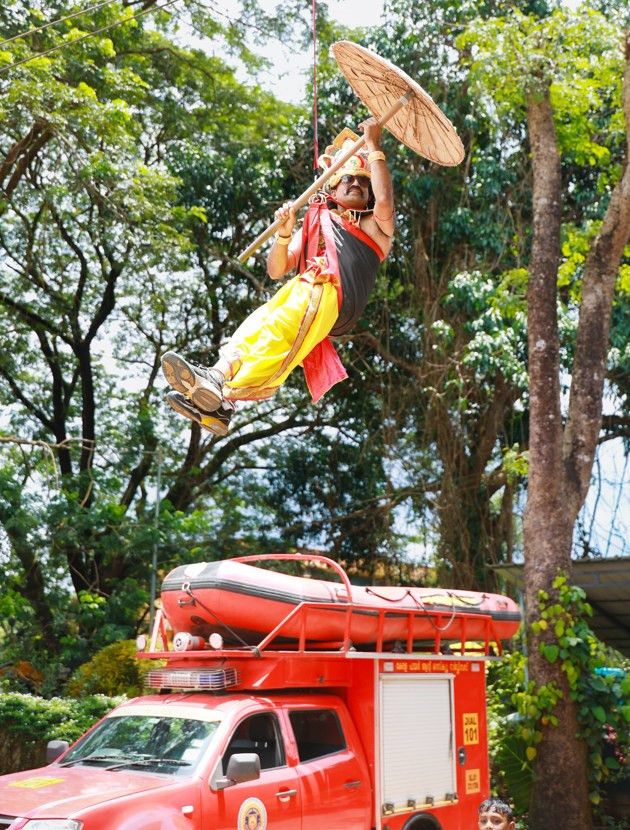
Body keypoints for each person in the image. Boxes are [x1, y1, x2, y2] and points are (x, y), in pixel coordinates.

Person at [162, 117, 395, 436]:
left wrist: (374, 146)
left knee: (277, 326)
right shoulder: (316, 220)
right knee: (259, 325)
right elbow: (276, 269)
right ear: (333, 187)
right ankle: (219, 395)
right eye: (348, 179)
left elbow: (384, 201)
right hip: (309, 291)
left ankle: (220, 388)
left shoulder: (375, 227)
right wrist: (284, 234)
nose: (356, 184)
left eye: (363, 182)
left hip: (334, 296)